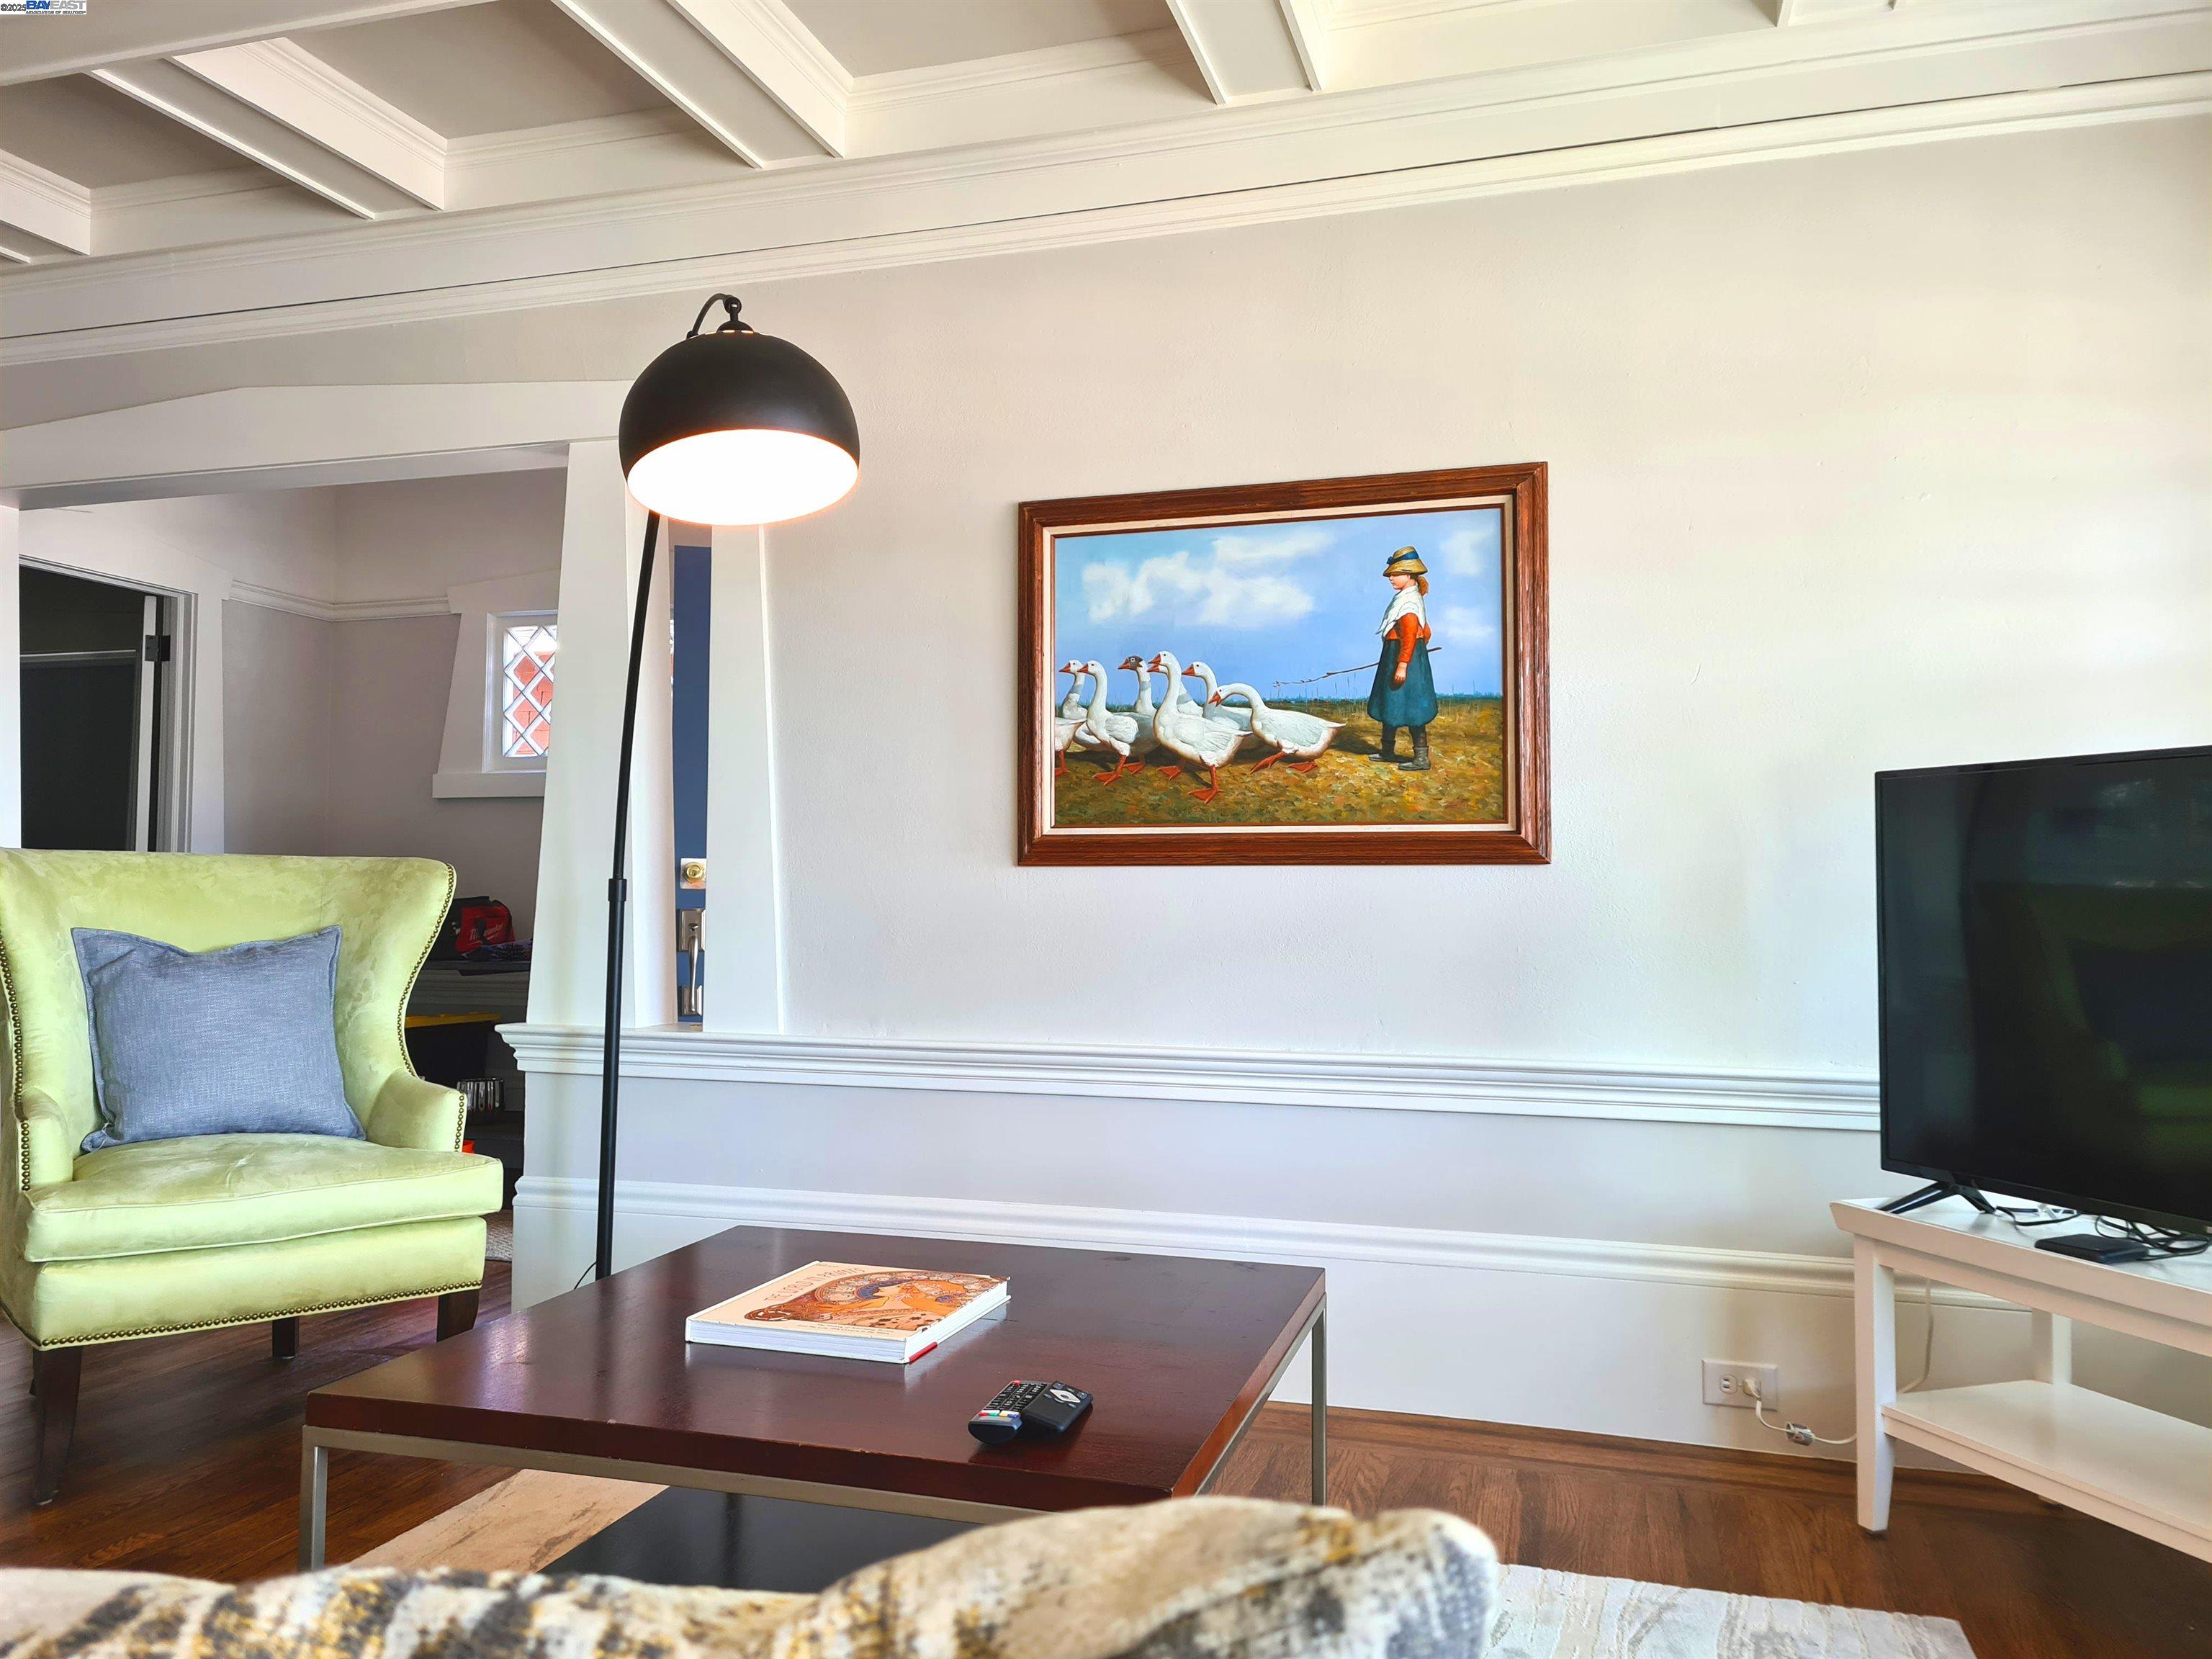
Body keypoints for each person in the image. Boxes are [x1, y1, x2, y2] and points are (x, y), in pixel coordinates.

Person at [1367, 546, 1437, 770]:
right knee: (1392, 703)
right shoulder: (1406, 598)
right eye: (1391, 574)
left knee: (1412, 706)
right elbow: (1427, 633)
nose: (1391, 578)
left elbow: (1411, 635)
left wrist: (1404, 664)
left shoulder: (1408, 604)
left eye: (1396, 574)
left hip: (1403, 657)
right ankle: (1387, 750)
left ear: (1409, 576)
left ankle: (1421, 758)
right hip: (1398, 656)